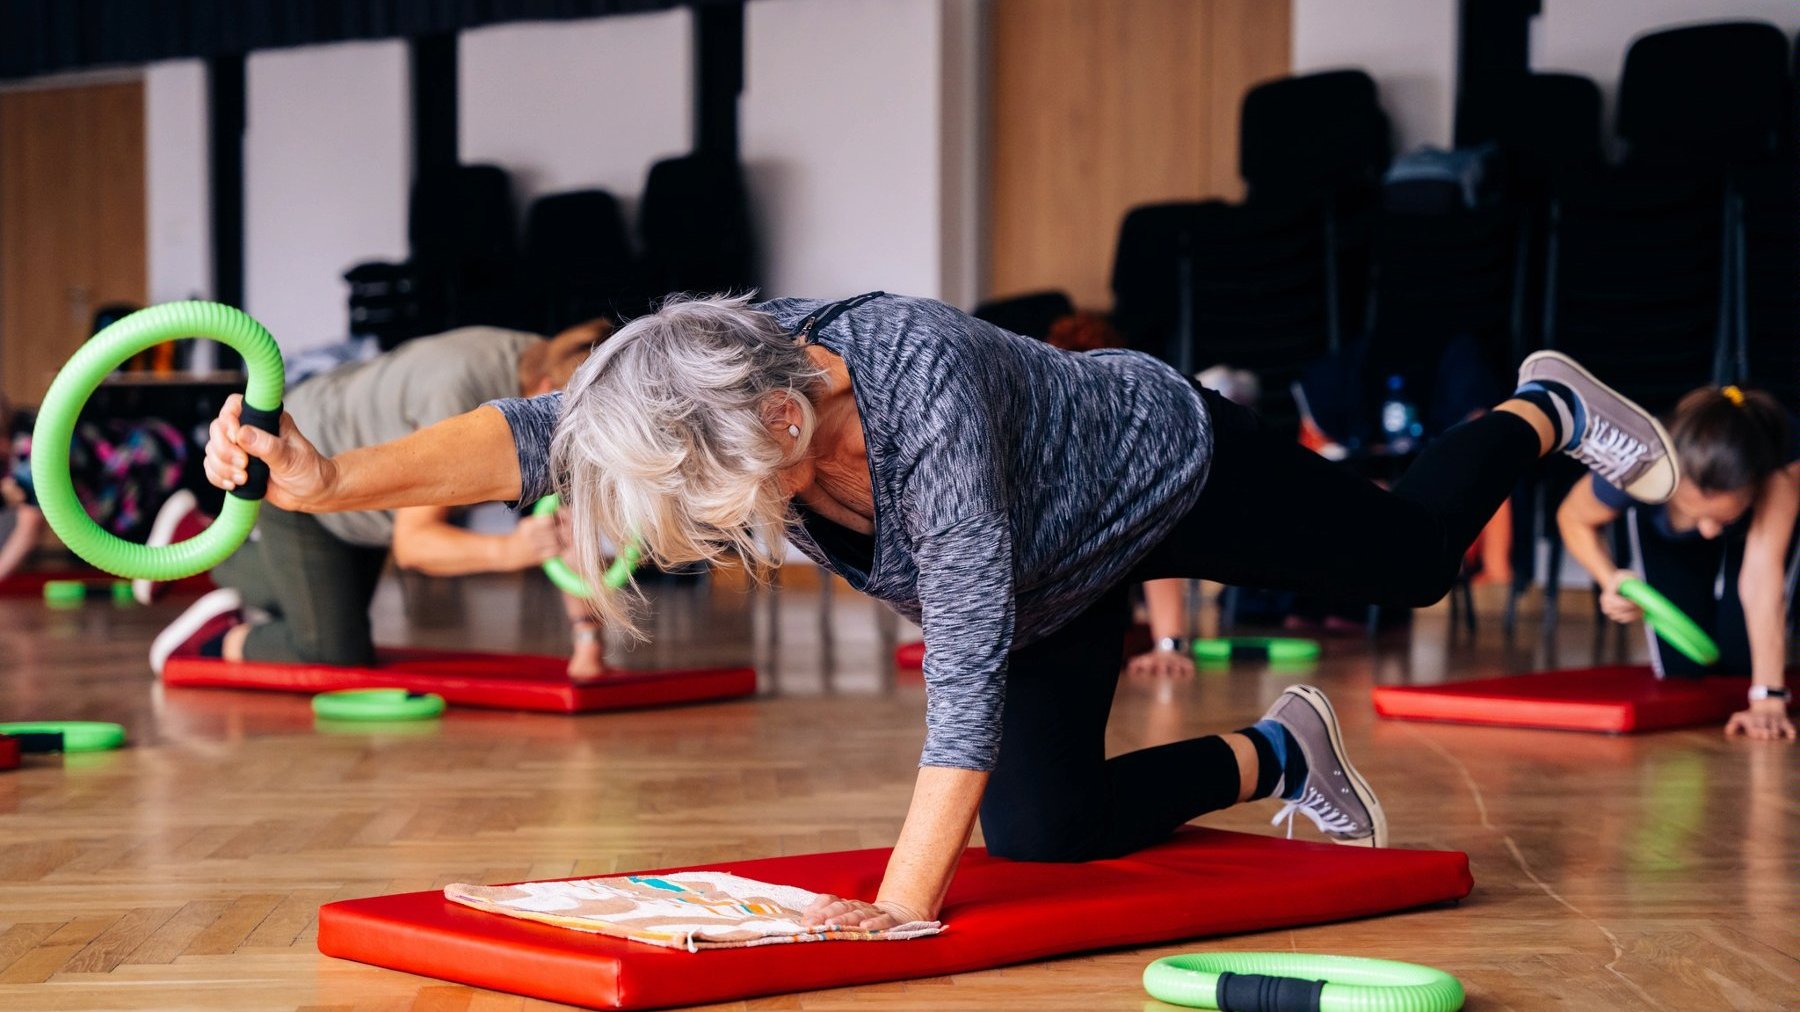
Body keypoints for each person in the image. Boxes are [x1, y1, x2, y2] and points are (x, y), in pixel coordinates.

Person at [199, 292, 1680, 933]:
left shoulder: (919, 397)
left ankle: (1540, 409)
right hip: (1053, 576)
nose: (712, 535)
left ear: (788, 428)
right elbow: (531, 434)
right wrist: (323, 481)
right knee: (1046, 833)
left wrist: (893, 919)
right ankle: (1284, 757)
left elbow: (960, 669)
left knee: (1415, 559)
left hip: (1160, 476)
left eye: (722, 500)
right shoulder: (704, 365)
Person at [153, 320, 607, 679]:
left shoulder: (549, 360)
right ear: (547, 388)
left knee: (322, 601)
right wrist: (511, 551)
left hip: (360, 487)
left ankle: (192, 536)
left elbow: (567, 520)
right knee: (334, 653)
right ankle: (214, 632)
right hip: (302, 469)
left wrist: (588, 644)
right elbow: (415, 544)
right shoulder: (469, 399)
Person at [1559, 385, 1798, 740]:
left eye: (1722, 517)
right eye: (1695, 514)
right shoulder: (1637, 463)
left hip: (1761, 522)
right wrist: (1609, 579)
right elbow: (1573, 517)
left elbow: (1762, 579)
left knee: (1743, 663)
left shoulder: (1776, 475)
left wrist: (1768, 697)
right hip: (1664, 529)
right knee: (1682, 670)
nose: (1707, 532)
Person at [0, 394, 189, 584]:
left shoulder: (29, 448)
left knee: (160, 569)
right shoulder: (19, 432)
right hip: (135, 476)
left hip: (154, 469)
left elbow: (29, 530)